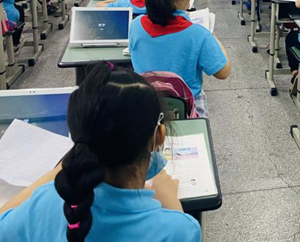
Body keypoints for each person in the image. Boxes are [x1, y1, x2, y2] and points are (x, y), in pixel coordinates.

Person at [0, 63, 201, 242]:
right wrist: (173, 205)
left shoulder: (43, 204)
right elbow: (181, 229)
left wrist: (61, 168)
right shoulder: (178, 230)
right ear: (160, 135)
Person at [129, 0, 231, 117]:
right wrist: (213, 37)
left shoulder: (135, 26)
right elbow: (223, 72)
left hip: (145, 107)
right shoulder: (198, 34)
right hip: (186, 110)